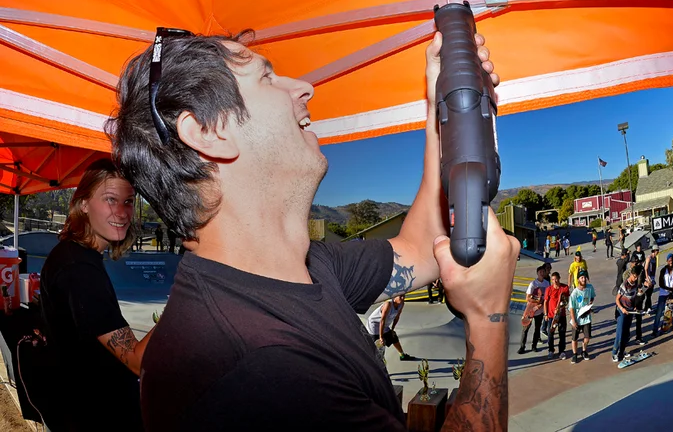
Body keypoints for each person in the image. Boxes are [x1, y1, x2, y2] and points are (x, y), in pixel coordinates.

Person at [109, 28, 519, 430]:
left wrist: (441, 106)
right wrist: (487, 319)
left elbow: (421, 247)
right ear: (208, 133)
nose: (305, 88)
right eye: (266, 77)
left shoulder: (305, 264)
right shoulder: (260, 374)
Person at [40, 159, 152, 431]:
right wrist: (185, 298)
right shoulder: (79, 270)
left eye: (128, 202)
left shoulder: (76, 255)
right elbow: (137, 361)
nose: (123, 212)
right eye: (111, 199)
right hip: (97, 415)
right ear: (83, 204)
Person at [366, 296, 414, 361]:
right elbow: (382, 320)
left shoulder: (401, 304)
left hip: (384, 325)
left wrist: (392, 329)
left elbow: (397, 317)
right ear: (394, 297)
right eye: (400, 296)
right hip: (374, 326)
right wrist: (381, 337)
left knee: (393, 337)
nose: (403, 298)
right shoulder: (388, 304)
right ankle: (377, 364)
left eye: (404, 296)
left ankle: (402, 355)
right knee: (379, 347)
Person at [612, 266, 642, 362]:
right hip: (622, 311)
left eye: (637, 277)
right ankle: (614, 353)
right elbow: (617, 299)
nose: (636, 278)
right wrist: (622, 308)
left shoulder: (635, 284)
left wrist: (635, 306)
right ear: (631, 274)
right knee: (619, 333)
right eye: (634, 276)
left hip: (630, 311)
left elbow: (633, 297)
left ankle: (622, 351)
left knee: (626, 333)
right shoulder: (624, 285)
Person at [518, 265, 549, 354]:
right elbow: (527, 298)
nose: (542, 274)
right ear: (537, 273)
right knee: (526, 328)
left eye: (543, 272)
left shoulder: (547, 284)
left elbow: (547, 297)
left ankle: (534, 346)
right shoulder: (533, 284)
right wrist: (537, 300)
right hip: (531, 310)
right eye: (540, 272)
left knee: (537, 328)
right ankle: (522, 347)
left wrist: (542, 304)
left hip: (540, 310)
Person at [568, 270, 595, 364]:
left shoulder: (590, 288)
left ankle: (584, 351)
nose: (583, 279)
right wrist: (574, 320)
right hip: (577, 317)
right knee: (574, 338)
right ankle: (574, 354)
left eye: (584, 277)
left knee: (587, 337)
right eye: (581, 277)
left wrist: (590, 303)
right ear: (578, 279)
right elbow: (571, 308)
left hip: (586, 317)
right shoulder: (575, 293)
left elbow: (592, 297)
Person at [544, 272, 570, 360]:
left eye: (556, 279)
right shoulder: (548, 289)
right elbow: (545, 302)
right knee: (550, 333)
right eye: (553, 279)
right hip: (551, 316)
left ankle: (562, 351)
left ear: (559, 278)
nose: (555, 281)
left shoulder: (565, 288)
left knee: (562, 333)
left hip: (561, 315)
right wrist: (545, 314)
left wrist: (560, 308)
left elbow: (566, 301)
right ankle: (551, 350)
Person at [652, 254, 673, 337]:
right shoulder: (663, 270)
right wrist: (668, 289)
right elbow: (660, 283)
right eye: (669, 261)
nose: (671, 262)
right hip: (663, 294)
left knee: (668, 313)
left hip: (670, 294)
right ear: (667, 261)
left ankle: (664, 329)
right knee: (659, 312)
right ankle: (655, 330)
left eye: (672, 260)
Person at [642, 245, 659, 314]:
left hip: (652, 278)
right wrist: (647, 279)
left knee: (649, 294)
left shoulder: (655, 258)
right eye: (657, 250)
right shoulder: (649, 258)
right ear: (654, 251)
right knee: (646, 294)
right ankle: (647, 308)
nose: (658, 252)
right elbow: (645, 269)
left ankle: (648, 307)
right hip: (647, 278)